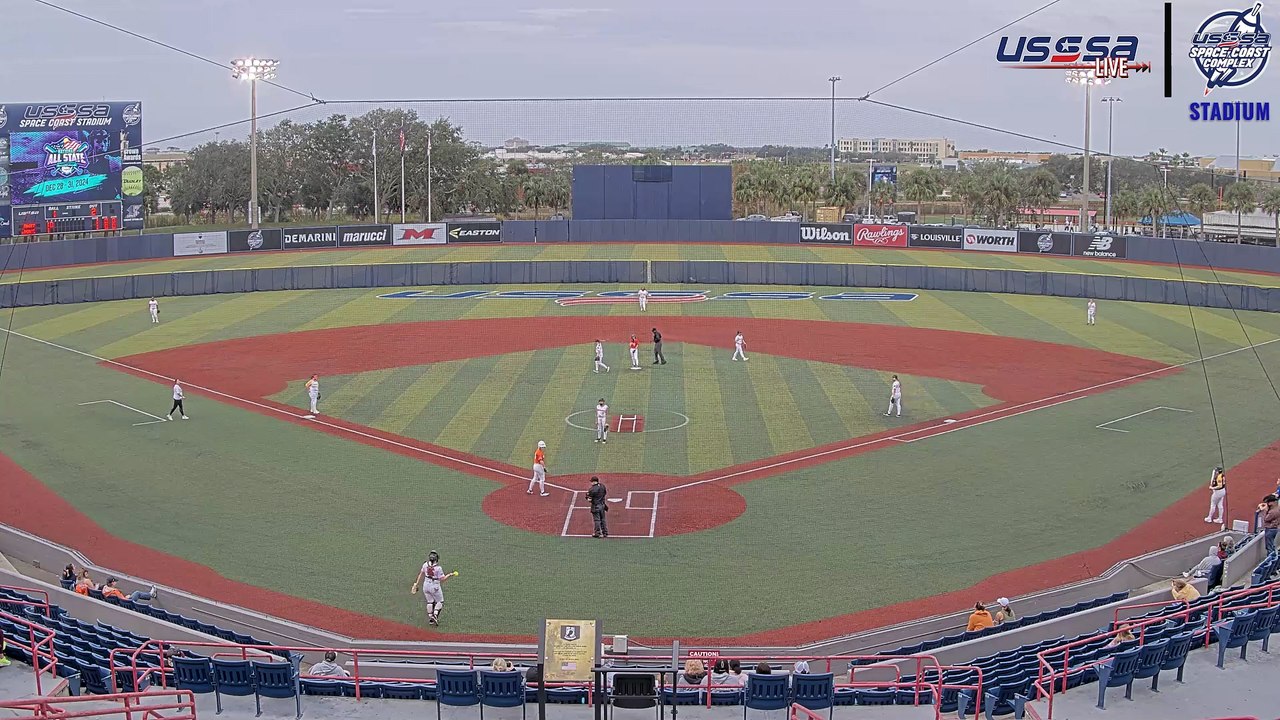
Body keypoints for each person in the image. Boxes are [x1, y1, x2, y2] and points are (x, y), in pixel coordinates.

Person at [410, 550, 453, 627]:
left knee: (430, 602)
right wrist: (450, 575)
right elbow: (442, 579)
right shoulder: (438, 568)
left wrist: (416, 583)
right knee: (440, 601)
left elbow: (420, 574)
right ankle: (435, 615)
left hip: (426, 585)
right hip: (435, 586)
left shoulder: (425, 565)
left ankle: (430, 618)